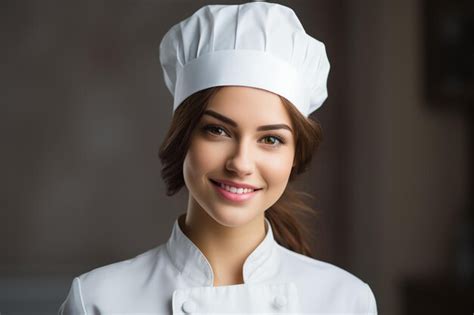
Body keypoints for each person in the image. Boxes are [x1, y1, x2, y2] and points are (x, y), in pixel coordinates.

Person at [58, 2, 378, 314]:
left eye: (270, 139)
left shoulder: (345, 301)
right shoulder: (99, 300)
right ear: (183, 136)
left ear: (295, 156)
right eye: (218, 131)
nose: (240, 163)